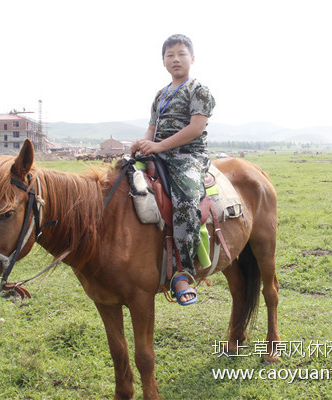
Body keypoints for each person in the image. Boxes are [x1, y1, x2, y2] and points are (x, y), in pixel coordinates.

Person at [130, 34, 215, 306]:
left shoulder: (199, 90)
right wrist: (145, 143)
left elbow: (195, 128)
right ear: (163, 61)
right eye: (170, 55)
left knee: (186, 201)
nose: (175, 59)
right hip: (160, 152)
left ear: (192, 58)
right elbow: (152, 129)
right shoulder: (161, 95)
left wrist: (158, 147)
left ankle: (184, 272)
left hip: (188, 156)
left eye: (181, 54)